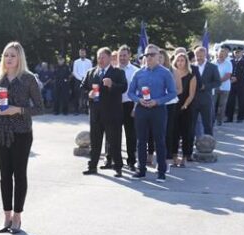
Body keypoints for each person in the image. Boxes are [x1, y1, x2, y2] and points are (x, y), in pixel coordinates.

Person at [0, 42, 43, 233]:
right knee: (4, 176)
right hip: (0, 132)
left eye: (12, 55)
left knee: (19, 174)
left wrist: (17, 110)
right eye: (6, 55)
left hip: (21, 133)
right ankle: (7, 216)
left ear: (20, 58)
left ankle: (18, 216)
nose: (8, 59)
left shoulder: (28, 79)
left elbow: (39, 107)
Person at [128, 44, 177, 181]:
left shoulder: (165, 72)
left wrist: (158, 101)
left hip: (158, 110)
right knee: (141, 141)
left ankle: (161, 171)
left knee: (159, 141)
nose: (148, 57)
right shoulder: (138, 73)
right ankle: (141, 169)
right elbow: (130, 92)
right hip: (142, 109)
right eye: (146, 55)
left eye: (152, 55)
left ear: (158, 56)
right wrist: (139, 100)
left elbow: (173, 93)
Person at [81, 47, 127, 177]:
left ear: (109, 58)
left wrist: (112, 85)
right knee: (95, 141)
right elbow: (82, 88)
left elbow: (124, 88)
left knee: (114, 142)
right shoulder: (91, 72)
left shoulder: (117, 72)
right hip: (96, 114)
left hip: (112, 114)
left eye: (103, 57)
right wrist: (88, 94)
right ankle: (92, 166)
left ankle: (118, 167)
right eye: (98, 57)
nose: (100, 60)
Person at [170, 53, 196, 167]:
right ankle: (174, 157)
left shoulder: (191, 76)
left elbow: (191, 95)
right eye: (178, 60)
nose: (180, 62)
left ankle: (184, 157)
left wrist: (184, 105)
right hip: (173, 106)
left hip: (186, 107)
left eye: (182, 60)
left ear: (186, 62)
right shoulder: (172, 75)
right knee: (173, 132)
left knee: (186, 133)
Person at [191, 46, 221, 136]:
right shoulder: (191, 67)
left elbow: (218, 82)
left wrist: (206, 86)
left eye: (201, 56)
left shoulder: (212, 67)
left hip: (206, 99)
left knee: (207, 123)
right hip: (193, 99)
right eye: (197, 55)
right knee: (192, 123)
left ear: (206, 55)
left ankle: (209, 142)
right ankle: (192, 142)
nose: (199, 57)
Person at [226, 48, 244, 123]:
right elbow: (228, 71)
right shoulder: (231, 61)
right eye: (236, 52)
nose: (237, 54)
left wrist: (236, 78)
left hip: (241, 84)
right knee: (230, 101)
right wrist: (231, 78)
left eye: (239, 52)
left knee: (241, 101)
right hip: (232, 83)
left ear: (242, 53)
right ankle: (230, 117)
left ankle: (240, 117)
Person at [214, 45, 233, 126]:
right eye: (220, 53)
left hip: (225, 88)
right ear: (217, 54)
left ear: (226, 55)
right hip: (214, 87)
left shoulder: (228, 63)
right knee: (212, 104)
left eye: (223, 53)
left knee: (222, 105)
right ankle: (212, 119)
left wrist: (218, 81)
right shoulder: (213, 63)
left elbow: (228, 75)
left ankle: (219, 121)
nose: (221, 55)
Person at [71, 48, 92, 115]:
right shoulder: (76, 62)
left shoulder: (89, 61)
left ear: (85, 53)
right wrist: (81, 78)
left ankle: (86, 109)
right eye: (81, 53)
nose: (82, 54)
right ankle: (76, 110)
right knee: (77, 95)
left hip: (87, 80)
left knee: (87, 95)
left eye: (83, 53)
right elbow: (74, 72)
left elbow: (90, 71)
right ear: (79, 53)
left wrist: (85, 78)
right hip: (78, 80)